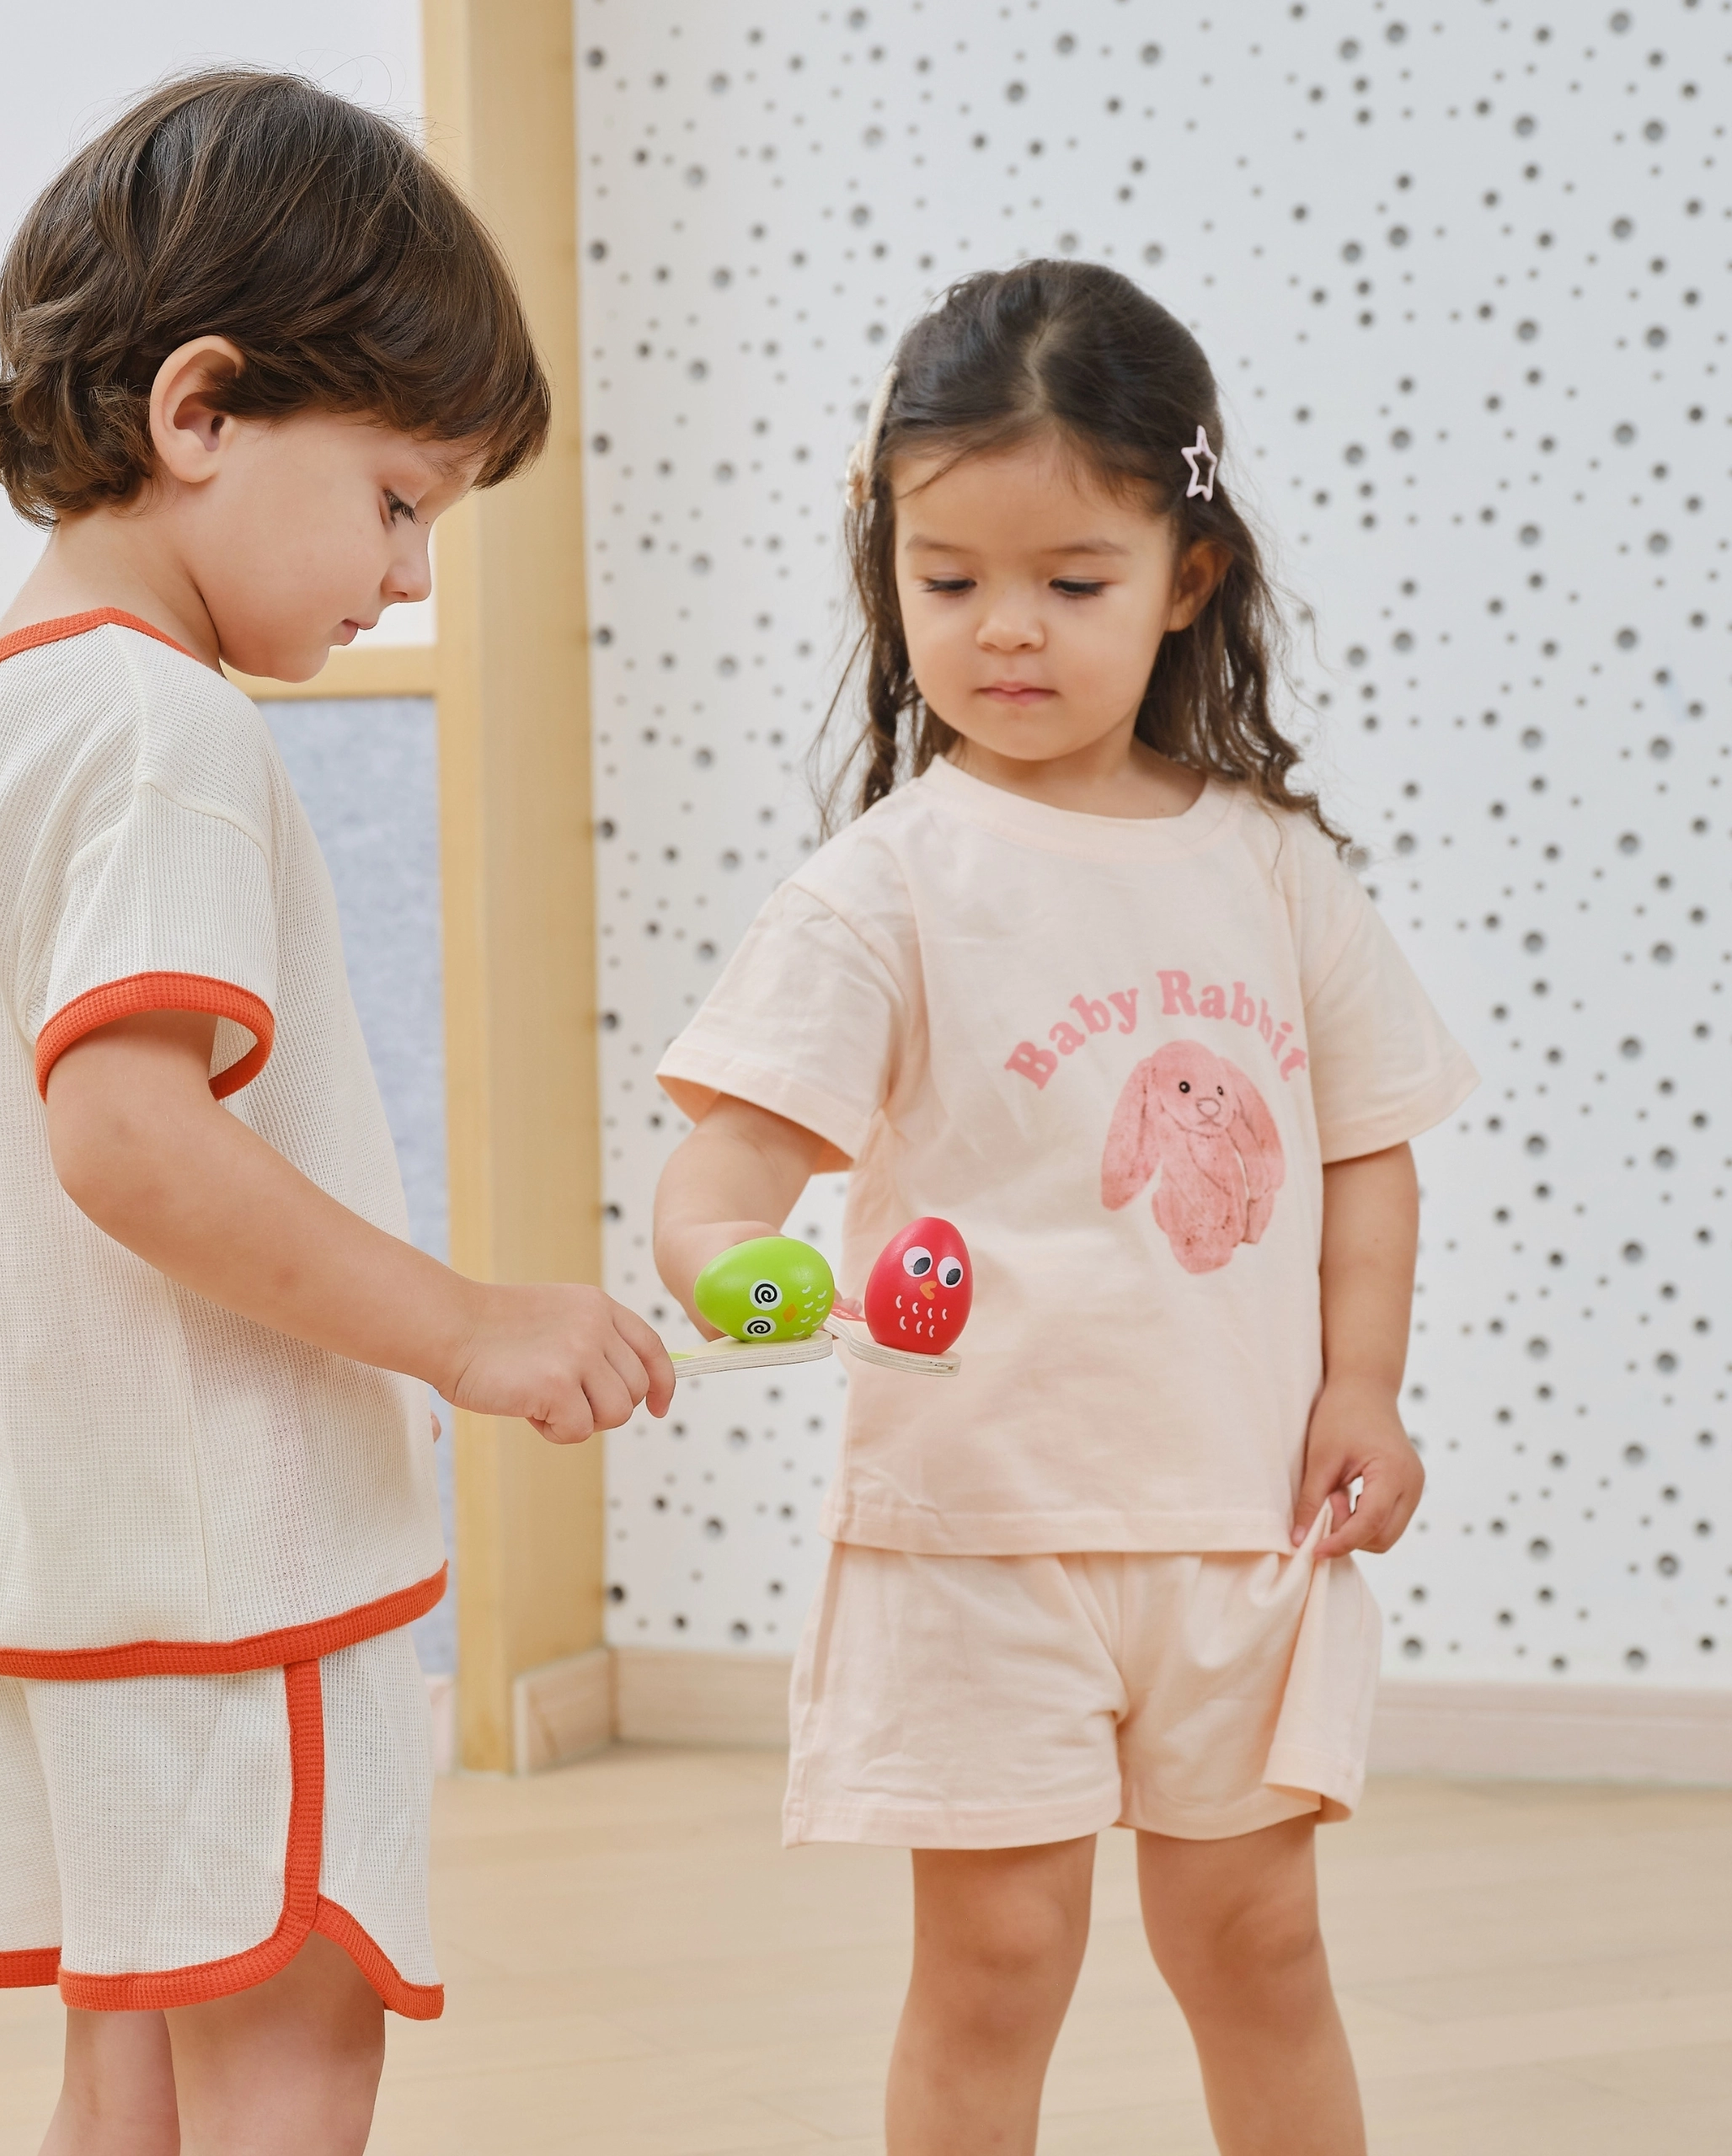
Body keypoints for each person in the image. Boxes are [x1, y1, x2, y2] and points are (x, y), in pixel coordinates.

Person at [0, 71, 672, 2156]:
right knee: (293, 2037)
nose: (408, 575)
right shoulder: (161, 728)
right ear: (202, 411)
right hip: (224, 1560)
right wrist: (467, 1325)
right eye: (400, 499)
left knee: (133, 2052)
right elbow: (128, 1140)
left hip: (71, 1548)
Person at [651, 259, 1473, 2156]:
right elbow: (729, 1165)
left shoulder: (1271, 870)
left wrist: (1363, 1386)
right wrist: (729, 1265)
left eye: (1071, 582)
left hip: (1236, 1528)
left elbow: (1366, 1147)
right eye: (947, 581)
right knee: (995, 1963)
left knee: (1258, 1948)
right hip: (978, 1536)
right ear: (890, 574)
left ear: (1186, 577)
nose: (1004, 628)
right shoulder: (882, 889)